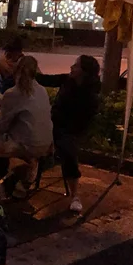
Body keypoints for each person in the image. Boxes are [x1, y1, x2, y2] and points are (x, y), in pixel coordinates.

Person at [0, 56, 53, 193]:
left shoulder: (13, 93)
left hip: (25, 145)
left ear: (15, 71)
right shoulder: (42, 90)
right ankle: (11, 176)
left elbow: (2, 126)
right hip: (45, 144)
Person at [36, 55, 101, 212]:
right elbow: (44, 80)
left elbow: (83, 122)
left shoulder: (90, 94)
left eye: (76, 65)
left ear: (85, 72)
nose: (71, 67)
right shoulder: (67, 80)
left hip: (70, 129)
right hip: (52, 123)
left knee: (67, 149)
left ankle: (74, 195)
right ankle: (22, 177)